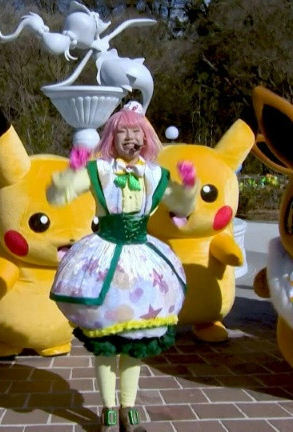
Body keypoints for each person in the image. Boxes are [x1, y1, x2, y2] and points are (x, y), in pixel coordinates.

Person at [47, 101, 198, 432]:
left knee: (134, 342)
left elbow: (182, 206)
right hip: (104, 260)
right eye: (123, 132)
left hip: (142, 264)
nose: (131, 138)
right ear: (111, 138)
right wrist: (72, 170)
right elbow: (58, 195)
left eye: (137, 131)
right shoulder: (99, 171)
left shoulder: (154, 174)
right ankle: (108, 409)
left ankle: (128, 408)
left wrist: (188, 186)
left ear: (146, 137)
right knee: (107, 342)